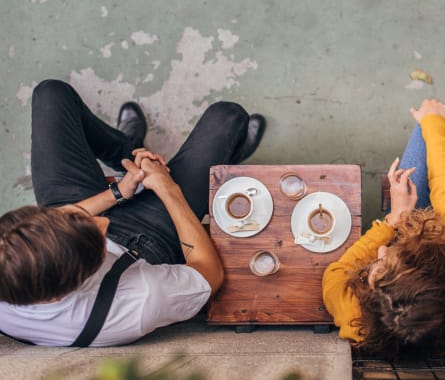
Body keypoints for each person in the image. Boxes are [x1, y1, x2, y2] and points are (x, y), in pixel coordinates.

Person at [0, 79, 266, 347]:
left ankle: (126, 150)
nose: (103, 221)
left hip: (73, 207)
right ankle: (227, 157)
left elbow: (63, 217)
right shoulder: (137, 301)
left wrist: (121, 190)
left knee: (51, 93)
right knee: (228, 117)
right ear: (75, 284)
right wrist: (166, 187)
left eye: (74, 221)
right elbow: (209, 273)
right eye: (97, 241)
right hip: (146, 240)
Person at [322, 99, 445, 359]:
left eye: (376, 268)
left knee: (437, 137)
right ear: (427, 261)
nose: (381, 249)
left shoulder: (361, 320)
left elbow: (333, 276)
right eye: (390, 257)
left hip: (428, 258)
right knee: (436, 127)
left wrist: (396, 218)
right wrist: (434, 121)